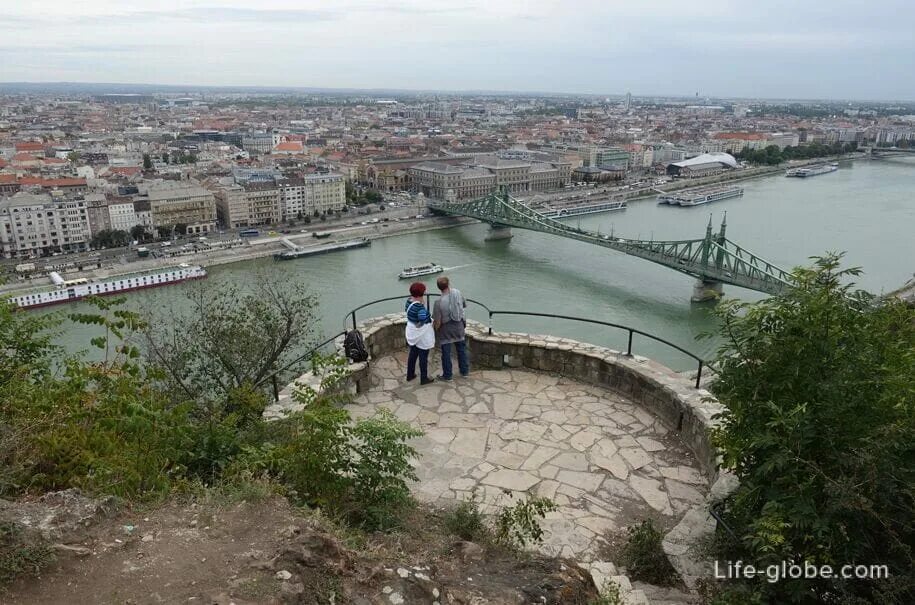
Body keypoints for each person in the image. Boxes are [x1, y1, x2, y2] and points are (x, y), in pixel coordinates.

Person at [432, 276, 469, 380]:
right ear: (448, 284)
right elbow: (464, 305)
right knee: (461, 350)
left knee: (446, 353)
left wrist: (436, 330)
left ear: (438, 287)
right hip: (459, 326)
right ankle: (464, 372)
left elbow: (437, 321)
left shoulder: (438, 302)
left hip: (446, 330)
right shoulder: (457, 293)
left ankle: (448, 375)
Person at [404, 282, 435, 385]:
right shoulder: (420, 308)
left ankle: (410, 374)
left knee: (413, 354)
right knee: (423, 356)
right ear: (421, 293)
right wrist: (425, 312)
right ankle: (424, 378)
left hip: (412, 333)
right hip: (421, 335)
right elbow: (423, 321)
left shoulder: (408, 302)